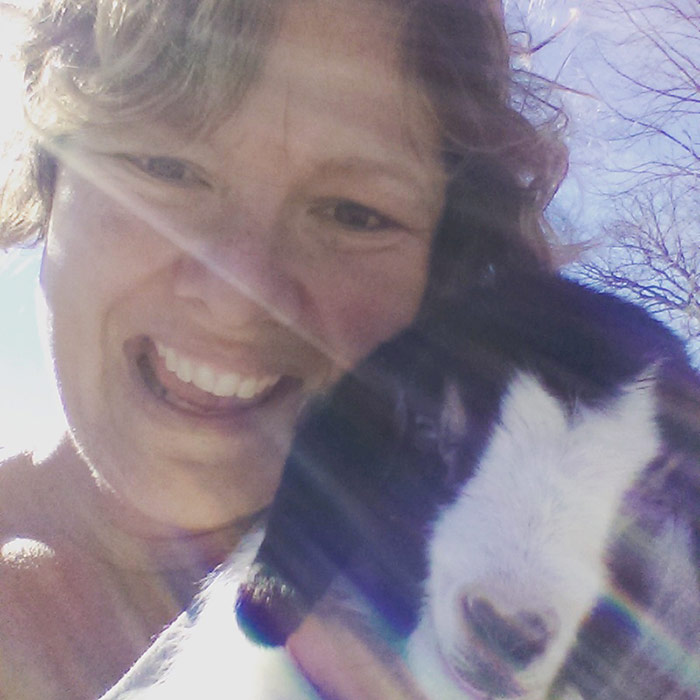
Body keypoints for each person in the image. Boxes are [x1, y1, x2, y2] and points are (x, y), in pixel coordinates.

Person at [0, 0, 565, 697]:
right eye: (164, 167)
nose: (239, 296)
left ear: (437, 278)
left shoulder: (516, 634)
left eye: (353, 214)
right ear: (49, 172)